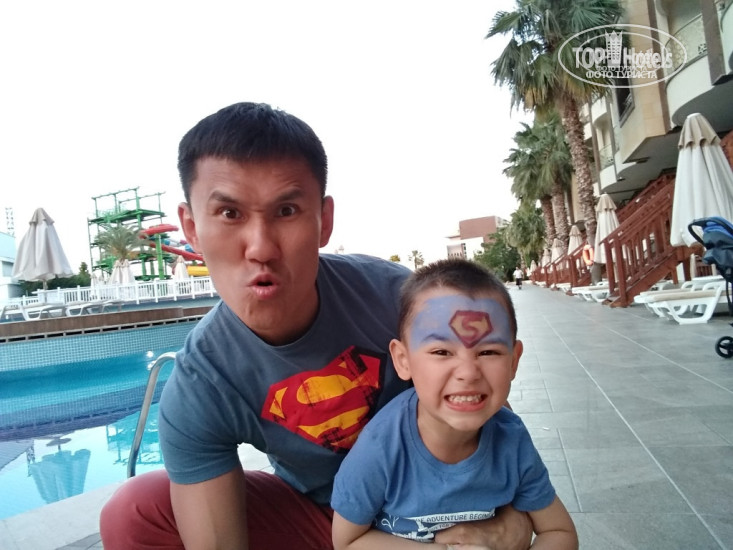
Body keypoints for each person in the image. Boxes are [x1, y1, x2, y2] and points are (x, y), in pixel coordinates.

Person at [99, 102, 533, 550]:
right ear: (191, 227)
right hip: (322, 522)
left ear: (324, 221)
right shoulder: (202, 383)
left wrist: (509, 523)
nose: (261, 248)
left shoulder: (400, 301)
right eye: (229, 214)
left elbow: (493, 419)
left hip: (439, 515)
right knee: (137, 510)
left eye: (286, 210)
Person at [331, 259, 578, 550]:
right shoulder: (380, 448)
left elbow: (560, 532)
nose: (468, 372)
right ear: (403, 360)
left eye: (488, 351)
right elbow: (347, 541)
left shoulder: (512, 441)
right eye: (441, 351)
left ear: (514, 361)